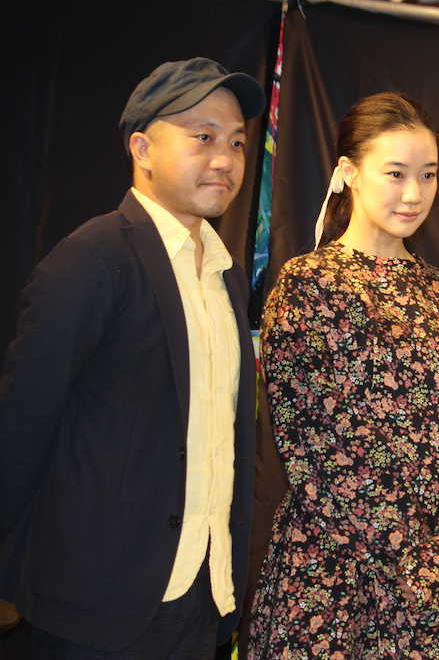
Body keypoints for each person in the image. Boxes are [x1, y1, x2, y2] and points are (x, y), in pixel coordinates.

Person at [0, 57, 265, 657]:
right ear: (142, 149)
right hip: (96, 606)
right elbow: (21, 424)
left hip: (202, 598)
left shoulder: (225, 275)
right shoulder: (93, 258)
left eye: (236, 142)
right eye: (202, 138)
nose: (225, 159)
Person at [246, 92, 439, 658]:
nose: (414, 193)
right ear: (349, 172)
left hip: (435, 587)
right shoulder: (307, 285)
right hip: (327, 575)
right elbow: (313, 444)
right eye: (395, 173)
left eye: (428, 175)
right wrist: (405, 561)